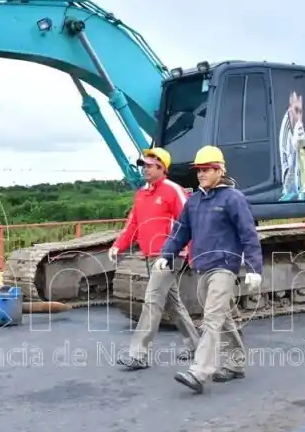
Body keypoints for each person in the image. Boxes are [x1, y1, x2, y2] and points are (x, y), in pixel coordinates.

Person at [156, 145, 263, 394]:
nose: (201, 174)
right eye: (199, 170)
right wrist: (166, 254)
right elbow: (181, 231)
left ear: (219, 170)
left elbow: (248, 234)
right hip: (202, 267)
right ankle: (236, 363)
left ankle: (199, 372)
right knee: (221, 316)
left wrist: (254, 267)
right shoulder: (194, 201)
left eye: (206, 169)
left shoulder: (233, 198)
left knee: (211, 319)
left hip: (224, 267)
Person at [111, 147, 201, 371]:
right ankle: (195, 345)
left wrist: (192, 251)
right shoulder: (141, 194)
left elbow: (188, 223)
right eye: (144, 165)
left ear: (162, 168)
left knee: (152, 300)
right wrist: (118, 245)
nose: (145, 169)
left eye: (150, 166)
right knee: (173, 302)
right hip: (150, 256)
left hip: (170, 255)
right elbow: (133, 224)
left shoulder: (174, 191)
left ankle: (138, 354)